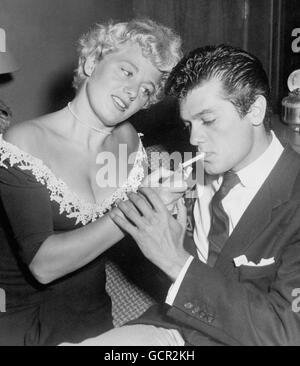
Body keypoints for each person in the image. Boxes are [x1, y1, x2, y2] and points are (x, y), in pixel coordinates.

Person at [71, 44, 300, 346]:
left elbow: (287, 334)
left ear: (255, 110)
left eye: (208, 120)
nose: (193, 139)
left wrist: (175, 259)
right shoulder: (193, 174)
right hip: (179, 327)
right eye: (189, 124)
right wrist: (173, 234)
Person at [0, 18, 182, 346]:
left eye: (146, 90)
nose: (132, 93)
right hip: (23, 323)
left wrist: (169, 215)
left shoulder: (127, 142)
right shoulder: (24, 141)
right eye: (127, 71)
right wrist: (136, 206)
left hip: (92, 319)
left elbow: (147, 245)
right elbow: (44, 265)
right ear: (91, 62)